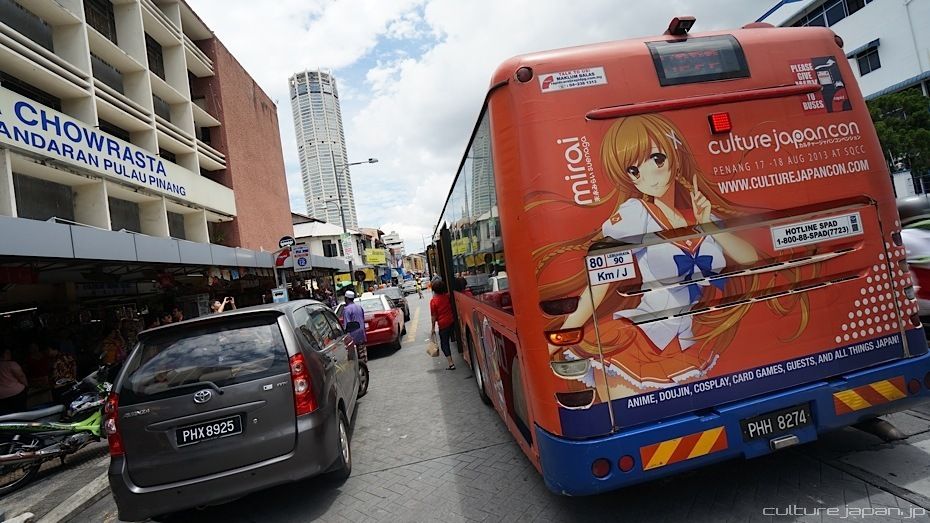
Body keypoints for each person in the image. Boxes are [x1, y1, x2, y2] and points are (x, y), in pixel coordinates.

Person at [533, 113, 811, 400]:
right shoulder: (636, 214)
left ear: (675, 155)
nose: (647, 177)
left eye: (656, 159)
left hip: (688, 339)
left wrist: (707, 224)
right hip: (637, 340)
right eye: (633, 170)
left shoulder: (698, 214)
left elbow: (750, 260)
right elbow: (600, 282)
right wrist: (560, 338)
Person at [430, 279, 456, 370]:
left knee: (444, 344)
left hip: (443, 325)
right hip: (452, 321)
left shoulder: (433, 301)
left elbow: (433, 316)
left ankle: (451, 363)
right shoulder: (448, 296)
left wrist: (433, 328)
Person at [341, 291, 368, 364]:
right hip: (361, 335)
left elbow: (347, 325)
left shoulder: (347, 309)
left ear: (346, 299)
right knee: (362, 357)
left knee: (354, 360)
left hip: (353, 336)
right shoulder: (359, 307)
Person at [0, 348, 28, 415]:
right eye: (7, 353)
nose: (10, 354)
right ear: (3, 354)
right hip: (17, 393)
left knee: (7, 415)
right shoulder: (11, 364)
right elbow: (21, 376)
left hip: (2, 396)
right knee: (21, 413)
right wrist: (26, 385)